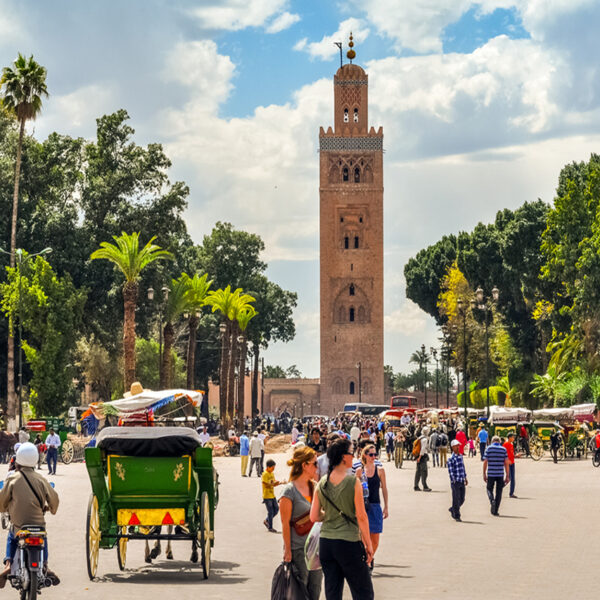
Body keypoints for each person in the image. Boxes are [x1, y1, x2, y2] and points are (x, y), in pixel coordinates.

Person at [310, 438, 374, 600]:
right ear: (344, 457)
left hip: (326, 543)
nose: (354, 456)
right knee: (363, 592)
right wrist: (368, 544)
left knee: (332, 592)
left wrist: (330, 514)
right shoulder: (353, 482)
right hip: (348, 542)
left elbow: (314, 516)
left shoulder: (322, 483)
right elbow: (361, 516)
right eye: (352, 453)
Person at [0, 443, 60, 588]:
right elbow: (55, 501)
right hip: (38, 526)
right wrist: (50, 509)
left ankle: (8, 565)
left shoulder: (12, 479)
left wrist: (6, 508)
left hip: (19, 526)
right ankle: (45, 565)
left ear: (18, 459)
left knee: (11, 537)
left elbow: (1, 503)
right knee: (43, 538)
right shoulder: (41, 480)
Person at [280, 446, 323, 600]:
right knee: (299, 592)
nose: (317, 467)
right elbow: (285, 523)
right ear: (304, 465)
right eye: (315, 464)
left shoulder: (315, 487)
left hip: (316, 550)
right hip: (298, 550)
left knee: (315, 591)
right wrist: (287, 550)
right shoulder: (289, 491)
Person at [355, 444, 389, 571]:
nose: (374, 457)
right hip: (362, 506)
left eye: (375, 455)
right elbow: (353, 490)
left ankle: (370, 557)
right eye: (371, 455)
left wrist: (386, 506)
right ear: (365, 455)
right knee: (363, 537)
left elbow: (384, 488)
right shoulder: (359, 471)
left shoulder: (380, 470)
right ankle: (366, 563)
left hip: (375, 505)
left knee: (375, 539)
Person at [483, 435, 510, 516]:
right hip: (500, 474)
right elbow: (506, 463)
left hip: (491, 473)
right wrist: (507, 475)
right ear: (499, 442)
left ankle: (492, 501)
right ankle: (496, 510)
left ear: (492, 441)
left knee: (489, 489)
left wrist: (484, 473)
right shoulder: (503, 449)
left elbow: (485, 461)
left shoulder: (489, 448)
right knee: (499, 492)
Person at [447, 439, 468, 521]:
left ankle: (453, 509)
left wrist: (465, 477)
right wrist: (453, 480)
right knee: (456, 498)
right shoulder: (451, 459)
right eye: (456, 446)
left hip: (461, 480)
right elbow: (451, 471)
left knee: (462, 498)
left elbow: (463, 467)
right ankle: (457, 515)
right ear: (452, 447)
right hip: (455, 481)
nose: (458, 447)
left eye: (459, 445)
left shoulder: (460, 456)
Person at [262, 459, 283, 532]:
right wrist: (274, 484)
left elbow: (273, 483)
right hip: (267, 496)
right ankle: (270, 527)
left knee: (276, 509)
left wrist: (278, 483)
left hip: (272, 495)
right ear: (268, 467)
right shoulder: (265, 474)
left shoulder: (272, 474)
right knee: (270, 511)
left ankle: (267, 520)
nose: (273, 469)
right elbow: (266, 485)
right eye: (272, 468)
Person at [503, 432, 517, 498]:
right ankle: (500, 486)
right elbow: (504, 454)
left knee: (512, 478)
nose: (513, 438)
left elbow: (512, 454)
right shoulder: (505, 444)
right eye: (513, 437)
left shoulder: (511, 445)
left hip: (512, 462)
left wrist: (516, 456)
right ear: (509, 438)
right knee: (509, 478)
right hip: (508, 463)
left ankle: (511, 493)